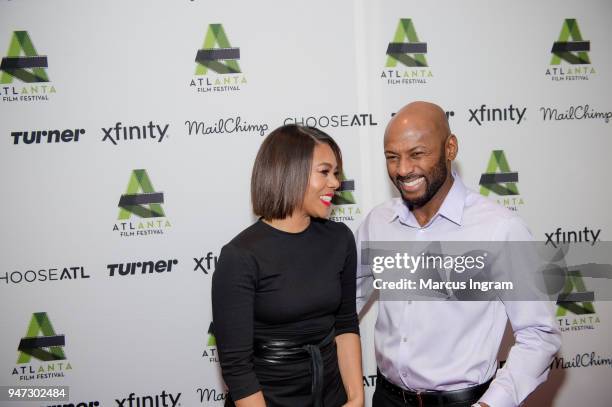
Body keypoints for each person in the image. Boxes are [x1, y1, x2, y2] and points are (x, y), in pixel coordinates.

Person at [356, 102, 561, 407]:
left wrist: (491, 405)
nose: (402, 169)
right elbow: (342, 302)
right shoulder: (377, 222)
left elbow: (540, 334)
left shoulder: (499, 229)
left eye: (417, 154)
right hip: (386, 398)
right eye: (392, 157)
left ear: (450, 148)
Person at [212, 124, 364, 407]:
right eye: (324, 172)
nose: (335, 183)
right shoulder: (240, 256)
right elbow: (237, 367)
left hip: (332, 395)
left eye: (336, 173)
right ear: (291, 171)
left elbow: (345, 324)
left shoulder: (339, 239)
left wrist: (355, 398)